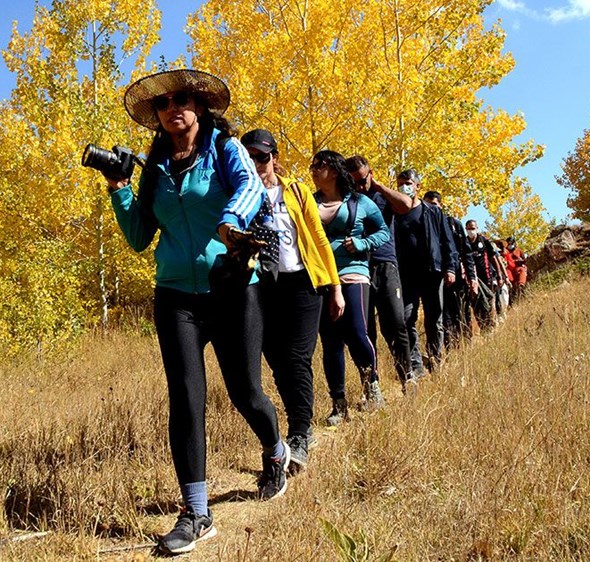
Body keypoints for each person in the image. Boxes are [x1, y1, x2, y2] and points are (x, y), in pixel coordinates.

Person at [105, 69, 288, 555]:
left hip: (230, 286)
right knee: (186, 398)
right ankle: (196, 512)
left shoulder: (224, 150)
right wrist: (121, 189)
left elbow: (249, 187)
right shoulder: (156, 168)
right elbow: (141, 238)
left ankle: (275, 451)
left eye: (181, 100)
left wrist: (230, 222)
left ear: (201, 107)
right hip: (175, 296)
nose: (172, 108)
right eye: (163, 104)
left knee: (246, 391)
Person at [241, 128, 342, 473]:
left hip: (302, 282)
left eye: (262, 157)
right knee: (277, 361)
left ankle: (299, 432)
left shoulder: (296, 191)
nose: (256, 164)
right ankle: (297, 420)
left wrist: (335, 286)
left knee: (298, 357)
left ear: (274, 158)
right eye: (249, 157)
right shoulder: (239, 194)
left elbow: (318, 238)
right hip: (263, 286)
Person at [311, 150, 391, 425]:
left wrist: (361, 244)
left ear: (333, 170)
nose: (312, 169)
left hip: (353, 274)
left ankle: (372, 387)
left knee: (357, 331)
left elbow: (383, 232)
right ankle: (338, 404)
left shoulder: (361, 202)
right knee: (331, 341)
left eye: (318, 164)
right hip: (321, 277)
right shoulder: (309, 203)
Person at [345, 155, 415, 392]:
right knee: (364, 331)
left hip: (385, 265)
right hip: (358, 269)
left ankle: (407, 376)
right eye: (353, 181)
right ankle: (371, 385)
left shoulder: (381, 197)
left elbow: (405, 205)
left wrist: (378, 186)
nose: (359, 186)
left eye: (362, 180)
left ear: (370, 173)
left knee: (396, 323)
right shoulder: (348, 201)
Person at [393, 170, 458, 375]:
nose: (404, 187)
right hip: (406, 274)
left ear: (418, 186)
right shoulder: (394, 211)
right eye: (400, 183)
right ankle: (416, 364)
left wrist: (450, 267)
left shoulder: (433, 211)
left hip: (432, 272)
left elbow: (447, 241)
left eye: (408, 183)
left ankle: (436, 359)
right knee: (406, 318)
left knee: (434, 318)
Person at [422, 191, 476, 349]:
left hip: (456, 276)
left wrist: (472, 277)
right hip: (435, 276)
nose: (430, 208)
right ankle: (447, 347)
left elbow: (466, 253)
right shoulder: (423, 224)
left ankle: (465, 344)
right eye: (427, 204)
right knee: (441, 315)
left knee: (460, 311)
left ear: (440, 205)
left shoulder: (454, 224)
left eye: (433, 204)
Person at [464, 220, 498, 333]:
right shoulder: (464, 242)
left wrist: (501, 275)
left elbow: (494, 258)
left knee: (490, 299)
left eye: (473, 228)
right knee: (477, 304)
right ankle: (483, 327)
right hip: (473, 279)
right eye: (468, 228)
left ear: (477, 228)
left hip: (487, 277)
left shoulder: (483, 241)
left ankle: (492, 325)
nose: (471, 231)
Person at [507, 236, 528, 304]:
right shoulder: (506, 252)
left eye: (512, 243)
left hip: (518, 268)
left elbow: (525, 261)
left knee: (522, 271)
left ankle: (521, 286)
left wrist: (520, 260)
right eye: (509, 244)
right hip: (510, 270)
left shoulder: (519, 250)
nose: (510, 245)